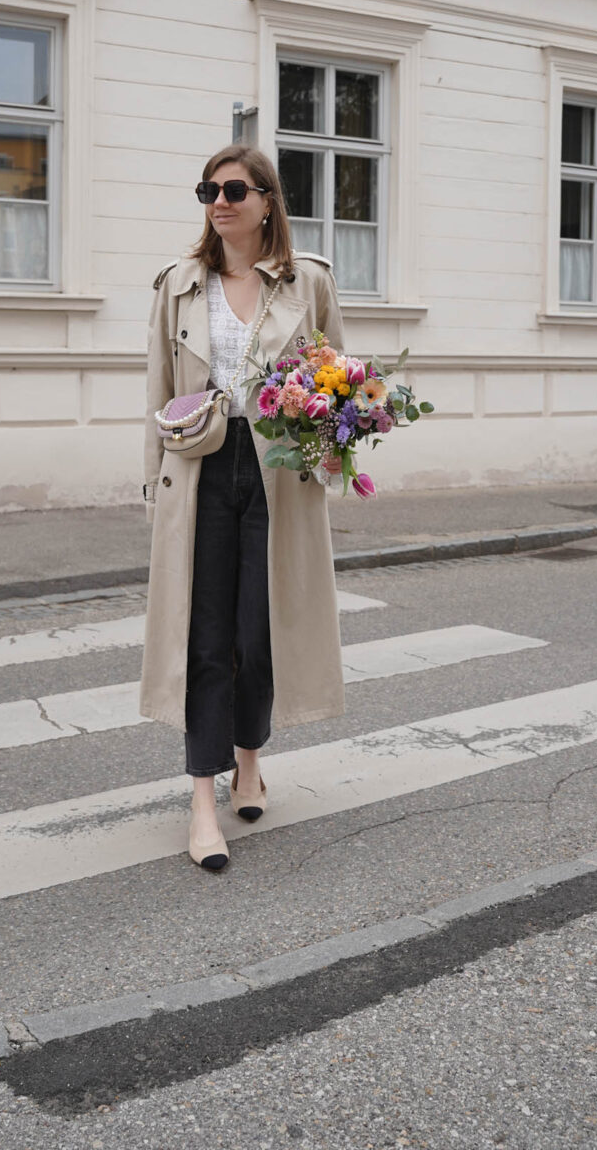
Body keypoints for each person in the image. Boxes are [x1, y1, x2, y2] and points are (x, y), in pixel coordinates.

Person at [139, 144, 346, 871]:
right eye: (208, 190)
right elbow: (156, 397)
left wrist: (333, 458)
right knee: (204, 638)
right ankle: (202, 800)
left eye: (233, 189)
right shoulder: (179, 284)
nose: (219, 202)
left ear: (267, 200)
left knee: (261, 634)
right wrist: (151, 494)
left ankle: (248, 760)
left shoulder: (307, 283)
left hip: (278, 477)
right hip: (198, 472)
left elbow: (336, 383)